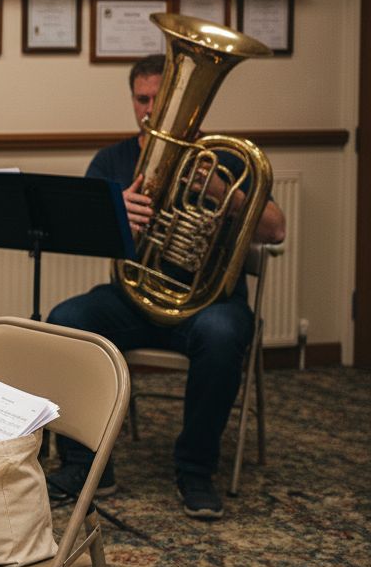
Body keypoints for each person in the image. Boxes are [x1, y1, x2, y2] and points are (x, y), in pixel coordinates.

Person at [45, 54, 286, 520]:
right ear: (131, 100)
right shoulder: (112, 159)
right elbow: (78, 233)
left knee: (222, 335)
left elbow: (275, 230)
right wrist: (116, 212)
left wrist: (225, 195)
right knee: (65, 320)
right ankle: (85, 465)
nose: (152, 111)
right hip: (133, 298)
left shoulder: (230, 159)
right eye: (142, 99)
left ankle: (195, 469)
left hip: (210, 300)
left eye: (162, 99)